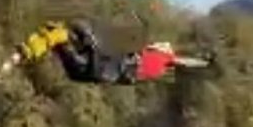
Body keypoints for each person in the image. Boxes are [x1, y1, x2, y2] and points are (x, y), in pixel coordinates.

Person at [19, 20, 183, 85]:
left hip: (93, 68)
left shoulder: (145, 64)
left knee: (72, 36)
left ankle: (34, 48)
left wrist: (90, 41)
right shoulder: (137, 61)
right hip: (87, 70)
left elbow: (141, 62)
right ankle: (33, 48)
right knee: (63, 37)